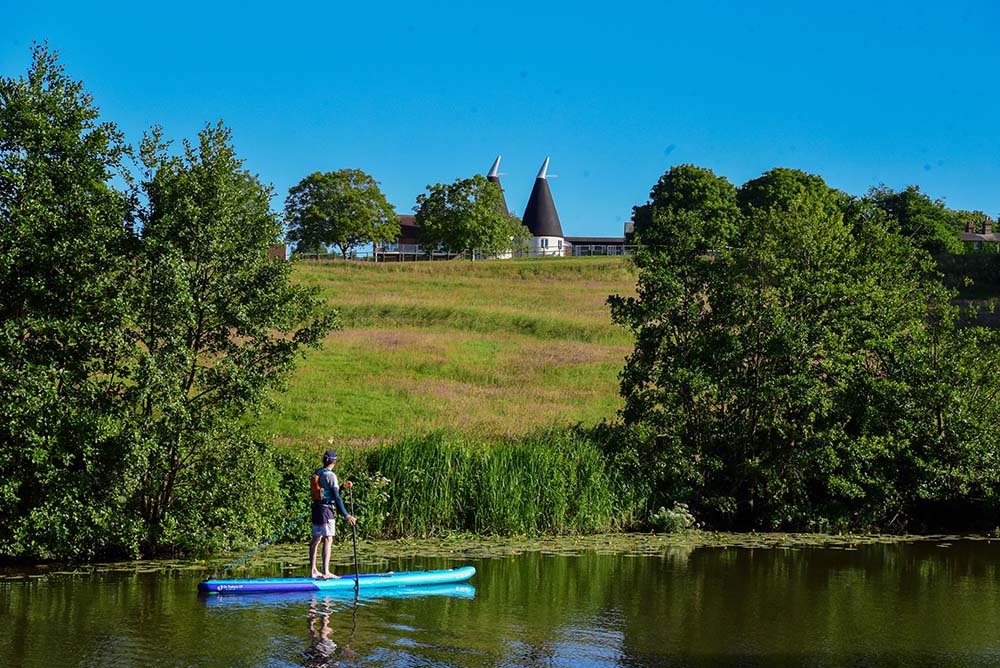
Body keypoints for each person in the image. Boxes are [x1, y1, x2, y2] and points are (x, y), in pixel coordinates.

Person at [309, 450, 356, 579]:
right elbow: (336, 498)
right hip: (326, 511)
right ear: (334, 461)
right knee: (328, 539)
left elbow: (326, 492)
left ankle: (313, 571)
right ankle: (326, 572)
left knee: (316, 539)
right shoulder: (331, 475)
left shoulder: (318, 472)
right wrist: (347, 515)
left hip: (317, 509)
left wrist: (342, 487)